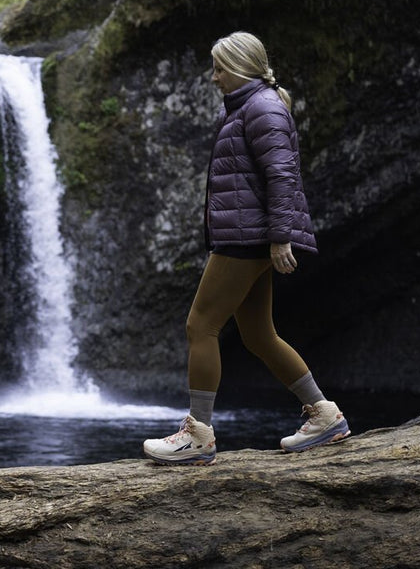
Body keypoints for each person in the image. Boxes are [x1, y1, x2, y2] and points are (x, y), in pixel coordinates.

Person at [142, 31, 349, 465]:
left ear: (240, 67)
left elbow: (282, 176)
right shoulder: (251, 107)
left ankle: (198, 435)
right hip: (249, 234)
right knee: (258, 334)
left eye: (219, 68)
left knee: (201, 326)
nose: (214, 77)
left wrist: (279, 236)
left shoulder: (263, 109)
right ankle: (325, 414)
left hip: (247, 237)